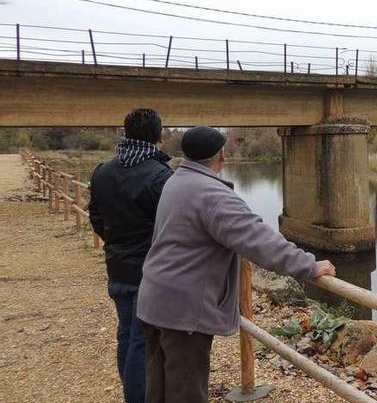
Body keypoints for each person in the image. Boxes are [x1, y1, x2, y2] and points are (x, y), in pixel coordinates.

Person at [137, 125, 335, 403]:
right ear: (220, 156)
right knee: (186, 391)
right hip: (184, 310)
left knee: (158, 388)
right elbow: (260, 241)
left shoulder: (176, 180)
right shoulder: (212, 195)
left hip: (155, 299)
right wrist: (309, 266)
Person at [89, 108, 174, 403]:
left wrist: (116, 243)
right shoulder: (161, 177)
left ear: (126, 133)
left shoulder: (103, 171)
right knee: (142, 340)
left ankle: (132, 391)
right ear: (158, 136)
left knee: (126, 334)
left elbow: (96, 219)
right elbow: (174, 226)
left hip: (117, 267)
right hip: (150, 271)